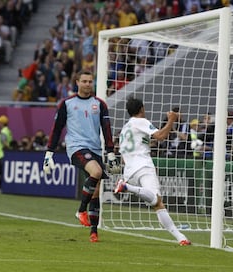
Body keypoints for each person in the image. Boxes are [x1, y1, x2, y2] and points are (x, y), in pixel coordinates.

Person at [43, 70, 119, 243]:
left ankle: (93, 232)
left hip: (95, 149)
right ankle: (81, 210)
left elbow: (106, 129)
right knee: (97, 172)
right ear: (77, 82)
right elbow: (56, 129)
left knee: (96, 191)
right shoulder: (67, 103)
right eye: (84, 81)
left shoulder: (100, 104)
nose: (87, 84)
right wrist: (49, 154)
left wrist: (110, 152)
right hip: (76, 147)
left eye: (90, 81)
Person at [114, 97, 191, 246]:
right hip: (143, 166)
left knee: (157, 204)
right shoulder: (141, 121)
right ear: (142, 109)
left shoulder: (125, 128)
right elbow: (161, 136)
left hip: (129, 171)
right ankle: (126, 187)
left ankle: (181, 238)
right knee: (156, 199)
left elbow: (123, 157)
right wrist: (171, 120)